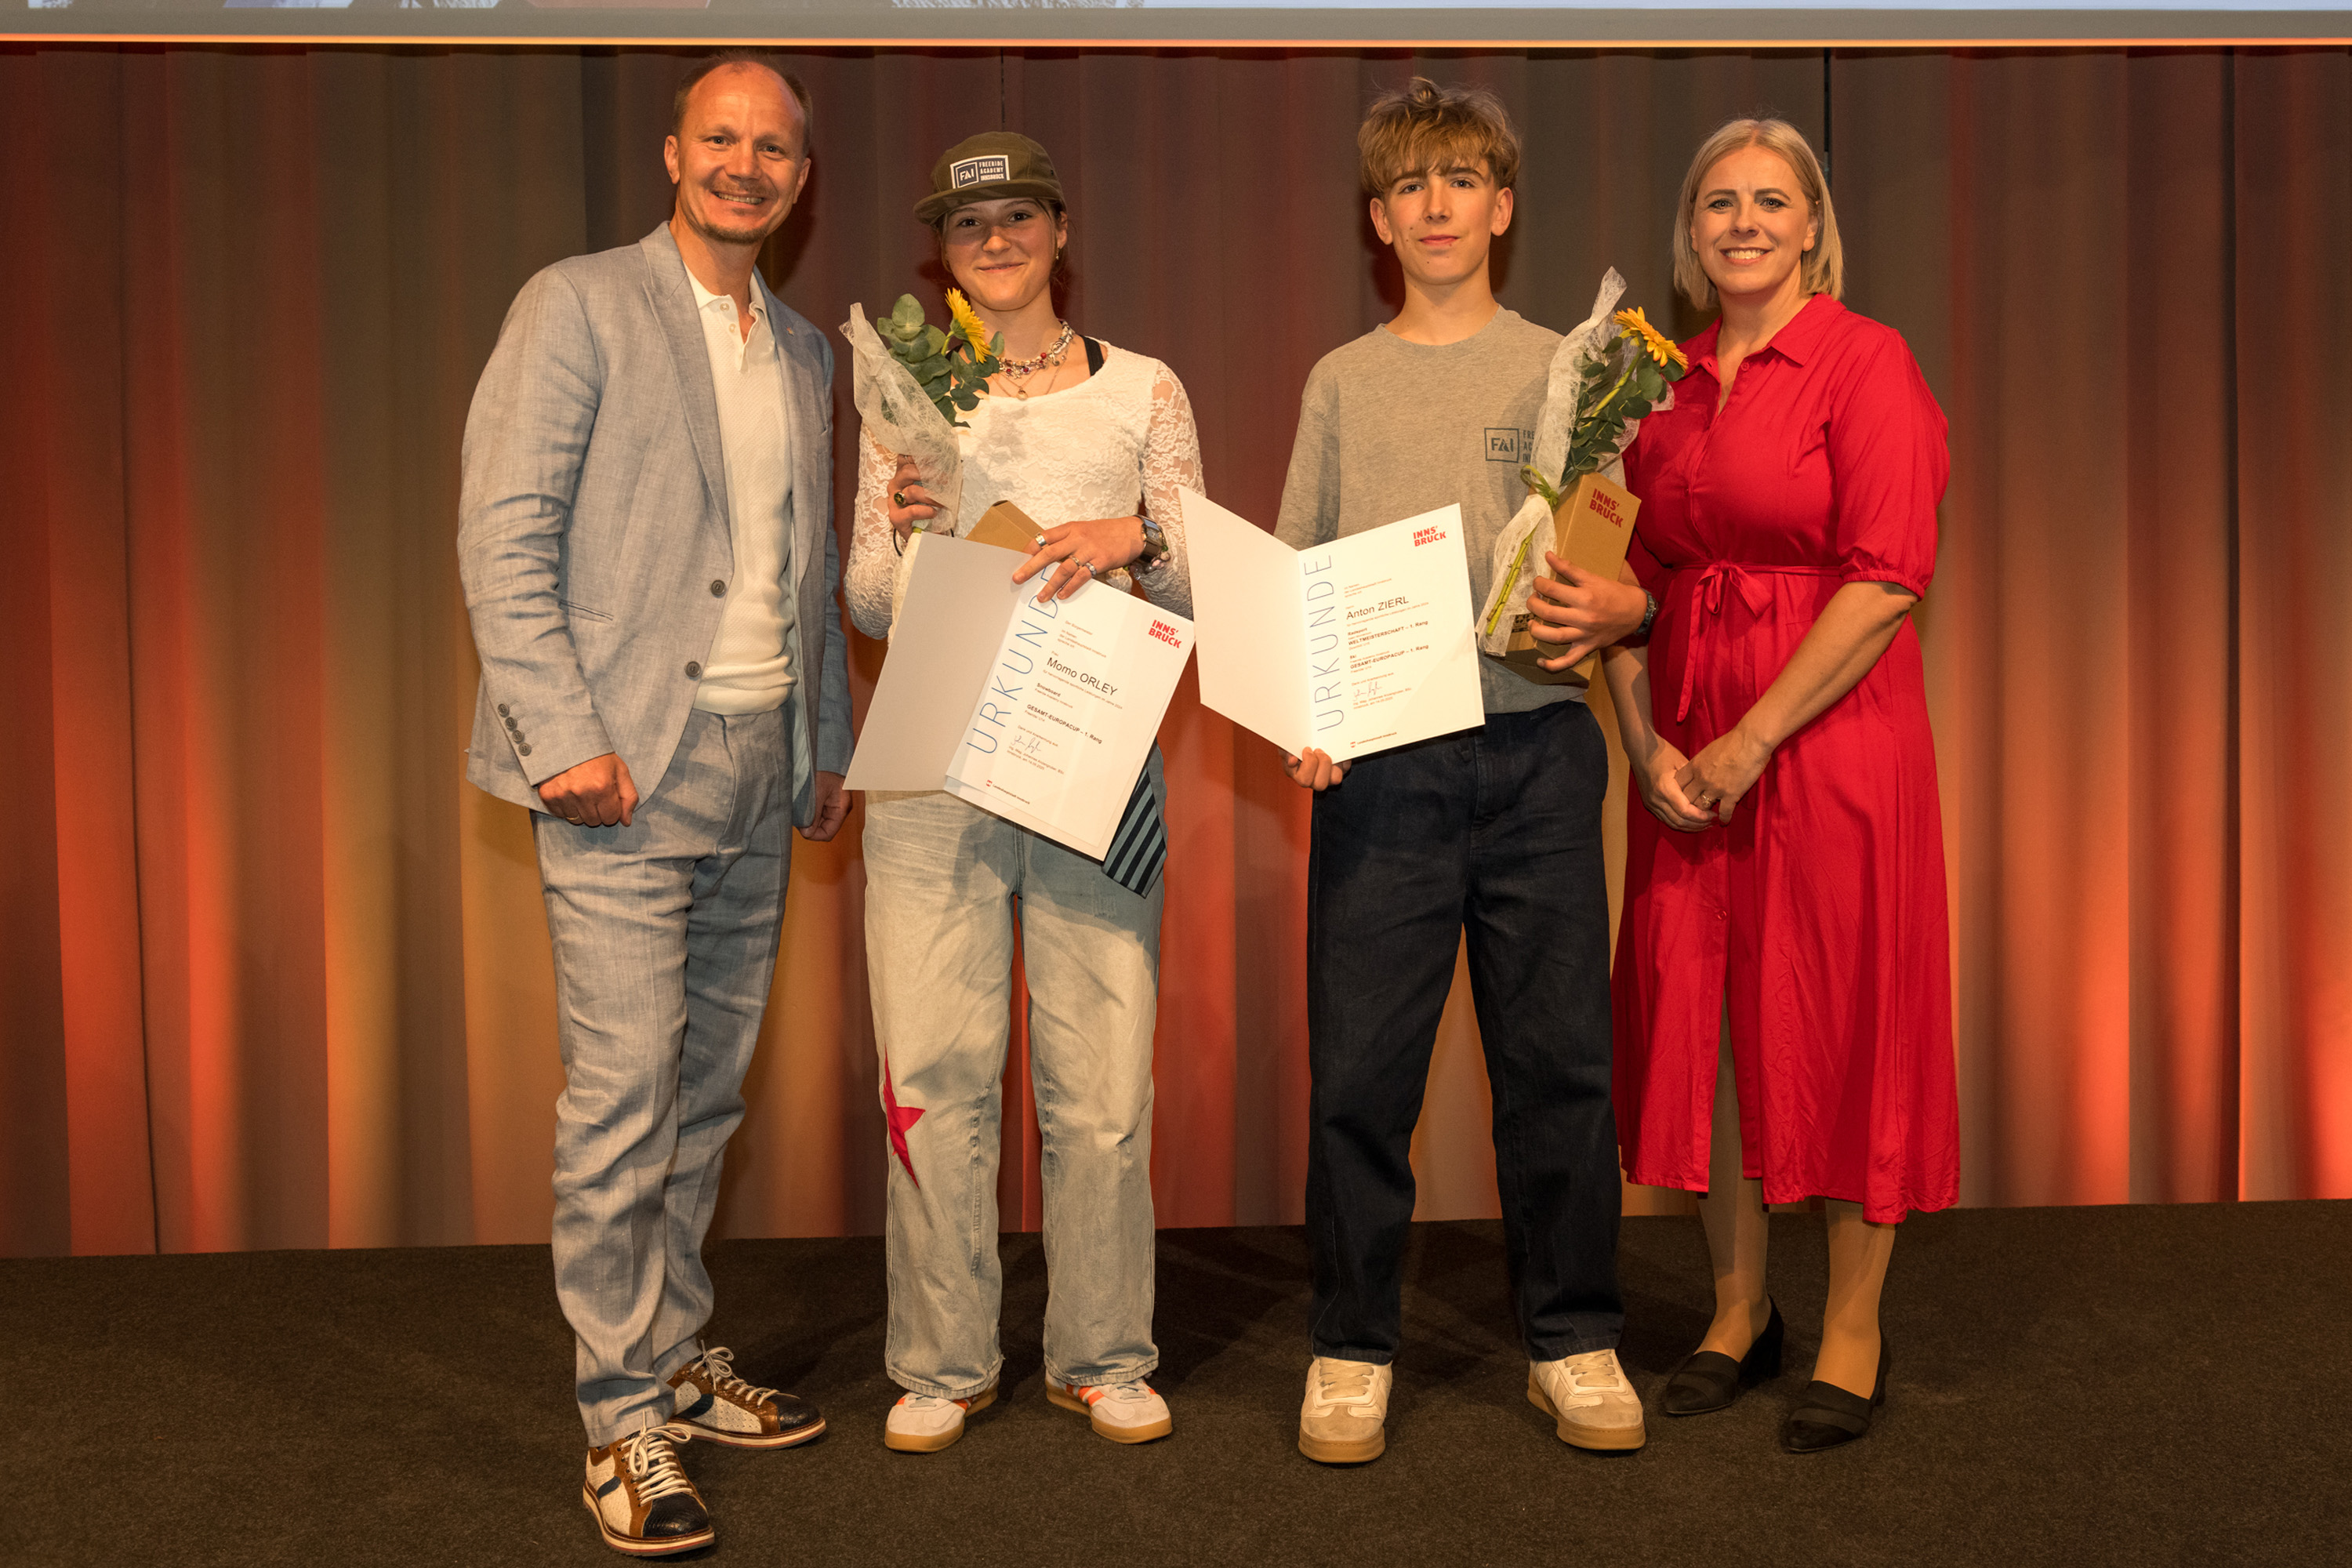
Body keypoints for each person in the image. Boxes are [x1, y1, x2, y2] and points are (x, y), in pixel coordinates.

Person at [456, 50, 851, 1555]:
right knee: (622, 1102)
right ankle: (620, 1420)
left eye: (773, 150)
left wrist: (825, 740)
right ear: (672, 154)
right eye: (721, 139)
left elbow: (798, 570)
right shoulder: (577, 307)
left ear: (800, 182)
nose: (746, 166)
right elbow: (504, 532)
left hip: (761, 764)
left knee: (703, 1097)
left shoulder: (806, 351)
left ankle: (678, 1354)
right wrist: (561, 735)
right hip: (621, 774)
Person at [1274, 78, 1651, 1465]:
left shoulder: (1576, 370)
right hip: (1380, 772)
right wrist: (1304, 705)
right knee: (1360, 1074)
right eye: (1408, 189)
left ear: (1502, 205)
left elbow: (1616, 558)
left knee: (1560, 1068)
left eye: (1461, 182)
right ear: (1379, 220)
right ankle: (1351, 1343)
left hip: (1543, 756)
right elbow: (1298, 575)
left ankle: (1575, 1337)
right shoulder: (1340, 382)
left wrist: (1622, 615)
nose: (1435, 208)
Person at [1600, 117, 1957, 1454]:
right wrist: (1646, 745)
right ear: (1690, 234)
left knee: (1848, 1014)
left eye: (1769, 202)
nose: (1742, 222)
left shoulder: (1867, 362)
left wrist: (1754, 743)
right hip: (1686, 744)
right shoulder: (1660, 384)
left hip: (1829, 739)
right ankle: (1738, 1312)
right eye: (1716, 204)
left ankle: (1855, 1326)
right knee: (1710, 1020)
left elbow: (1886, 578)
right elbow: (1615, 591)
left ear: (1812, 224)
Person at [843, 131, 1199, 1455]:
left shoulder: (1145, 390)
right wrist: (907, 516)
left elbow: (1195, 585)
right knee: (931, 1070)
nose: (995, 239)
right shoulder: (904, 393)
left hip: (1090, 757)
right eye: (968, 221)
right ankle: (942, 1360)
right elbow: (869, 602)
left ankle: (1102, 1355)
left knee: (1102, 1078)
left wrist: (1137, 537)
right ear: (942, 248)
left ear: (1060, 230)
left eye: (1019, 215)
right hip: (936, 758)